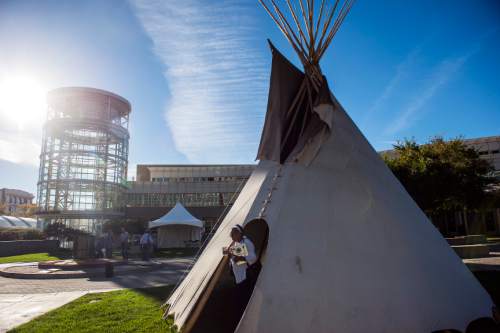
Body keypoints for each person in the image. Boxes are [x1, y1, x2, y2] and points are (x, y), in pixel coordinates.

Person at [224, 225, 259, 301]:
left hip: (245, 275)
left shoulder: (246, 242)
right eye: (231, 234)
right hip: (239, 276)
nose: (231, 236)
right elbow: (228, 252)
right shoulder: (237, 243)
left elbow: (253, 258)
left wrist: (240, 258)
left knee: (245, 296)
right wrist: (231, 254)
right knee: (240, 295)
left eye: (233, 234)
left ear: (239, 234)